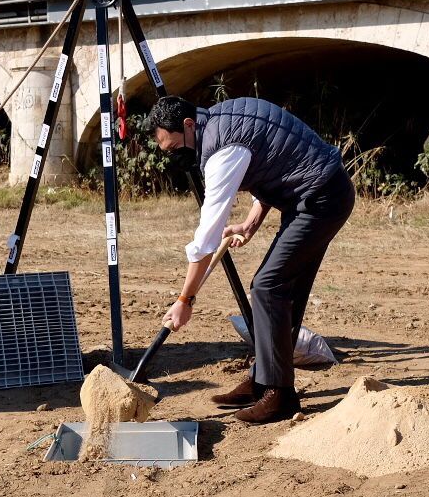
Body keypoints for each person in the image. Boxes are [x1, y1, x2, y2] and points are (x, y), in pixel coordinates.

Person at [148, 95, 355, 424]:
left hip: (322, 200)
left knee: (268, 286)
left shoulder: (222, 149)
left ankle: (279, 396)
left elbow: (206, 238)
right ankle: (263, 379)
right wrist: (252, 221)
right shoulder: (223, 120)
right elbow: (271, 160)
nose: (175, 157)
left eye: (174, 149)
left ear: (188, 126)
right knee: (283, 287)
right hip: (315, 193)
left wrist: (185, 299)